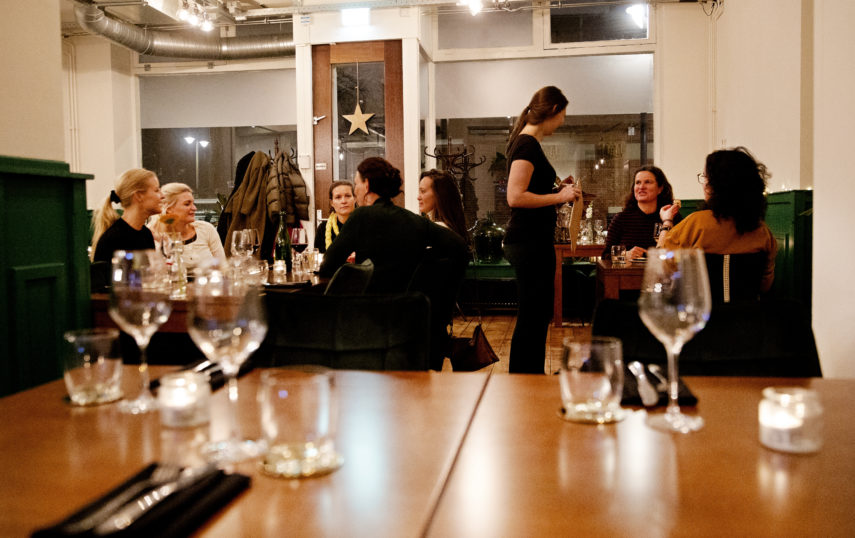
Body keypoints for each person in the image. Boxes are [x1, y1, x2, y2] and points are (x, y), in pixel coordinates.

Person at [503, 86, 581, 374]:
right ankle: (525, 378)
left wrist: (557, 189)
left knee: (536, 313)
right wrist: (560, 197)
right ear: (552, 111)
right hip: (528, 241)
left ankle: (528, 376)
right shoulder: (526, 145)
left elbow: (528, 191)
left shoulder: (526, 144)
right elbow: (515, 196)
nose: (563, 121)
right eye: (563, 115)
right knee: (533, 314)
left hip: (531, 240)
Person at [658, 146, 777, 291]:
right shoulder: (763, 233)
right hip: (748, 312)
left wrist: (667, 222)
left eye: (705, 177)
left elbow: (662, 267)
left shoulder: (695, 224)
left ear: (714, 185)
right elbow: (765, 284)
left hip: (701, 311)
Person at [602, 165, 682, 261]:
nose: (641, 187)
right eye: (638, 183)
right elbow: (605, 255)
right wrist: (624, 255)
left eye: (647, 182)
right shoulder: (621, 219)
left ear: (660, 189)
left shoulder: (673, 218)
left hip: (661, 273)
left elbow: (680, 253)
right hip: (628, 275)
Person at [91, 168, 164, 263]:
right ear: (139, 196)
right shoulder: (113, 239)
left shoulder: (146, 234)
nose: (162, 195)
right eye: (157, 190)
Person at [148, 182, 225, 270]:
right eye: (187, 204)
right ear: (169, 209)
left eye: (193, 203)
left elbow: (224, 268)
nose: (194, 208)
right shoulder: (153, 236)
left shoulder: (206, 229)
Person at [417, 169, 471, 247]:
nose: (418, 197)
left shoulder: (437, 229)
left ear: (439, 195)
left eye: (423, 191)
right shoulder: (450, 228)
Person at [314, 180, 356, 253]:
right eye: (338, 197)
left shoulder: (367, 225)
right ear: (332, 202)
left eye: (348, 196)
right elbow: (319, 258)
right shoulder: (322, 228)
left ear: (355, 199)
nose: (343, 201)